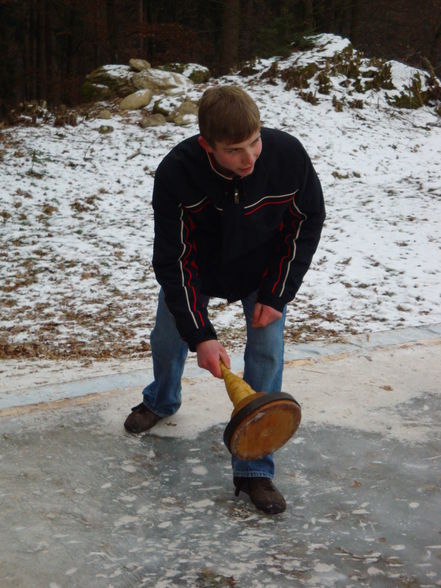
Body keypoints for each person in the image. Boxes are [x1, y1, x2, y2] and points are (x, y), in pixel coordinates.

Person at [124, 85, 325, 514]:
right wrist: (200, 334)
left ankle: (255, 469)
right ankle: (161, 399)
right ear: (207, 145)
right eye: (235, 150)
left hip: (262, 271)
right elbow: (174, 260)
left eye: (254, 142)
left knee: (267, 351)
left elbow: (306, 222)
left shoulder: (287, 156)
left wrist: (277, 293)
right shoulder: (178, 173)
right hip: (198, 272)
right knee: (167, 336)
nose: (250, 158)